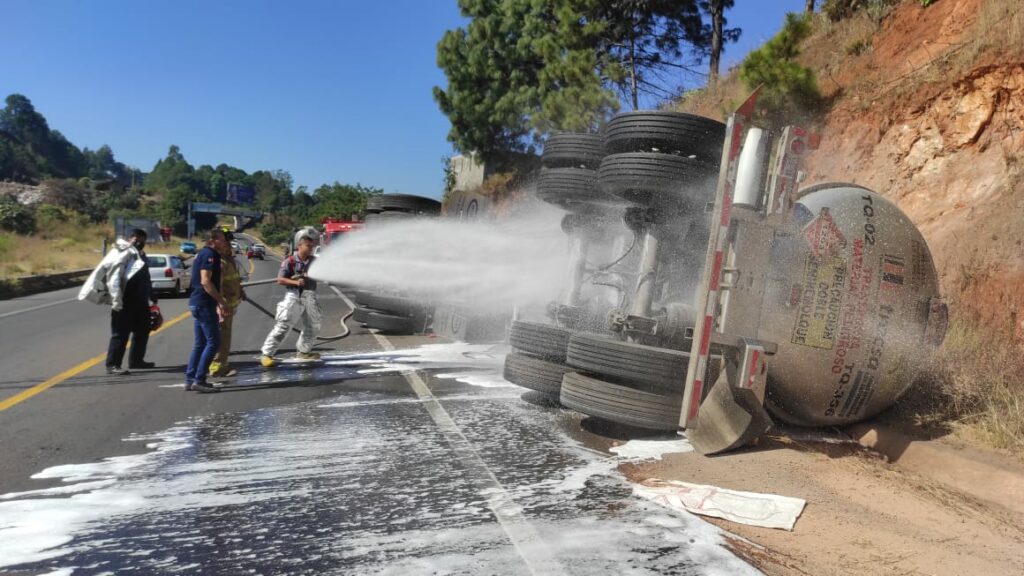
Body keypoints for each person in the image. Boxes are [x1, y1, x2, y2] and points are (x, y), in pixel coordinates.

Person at [78, 228, 157, 375]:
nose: (140, 242)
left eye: (142, 240)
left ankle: (136, 361)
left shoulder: (140, 255)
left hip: (140, 302)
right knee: (120, 334)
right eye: (137, 239)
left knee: (143, 331)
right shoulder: (122, 253)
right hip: (124, 301)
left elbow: (145, 278)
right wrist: (116, 300)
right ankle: (112, 364)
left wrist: (151, 295)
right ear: (131, 238)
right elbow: (114, 278)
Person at [260, 227, 324, 367]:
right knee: (283, 326)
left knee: (314, 326)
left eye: (312, 245)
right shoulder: (289, 261)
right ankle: (267, 354)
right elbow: (280, 279)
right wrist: (296, 281)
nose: (311, 248)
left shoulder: (314, 261)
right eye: (308, 245)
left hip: (310, 296)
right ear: (299, 245)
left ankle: (303, 352)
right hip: (294, 296)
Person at [184, 229, 231, 392]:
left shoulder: (203, 253)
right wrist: (221, 302)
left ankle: (190, 379)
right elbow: (205, 281)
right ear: (213, 240)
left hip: (197, 302)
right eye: (222, 239)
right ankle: (199, 379)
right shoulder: (210, 255)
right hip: (204, 303)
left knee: (200, 343)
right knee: (214, 342)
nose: (225, 242)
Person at [208, 231, 247, 378]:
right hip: (224, 306)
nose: (229, 246)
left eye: (229, 243)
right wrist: (220, 306)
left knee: (225, 336)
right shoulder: (220, 263)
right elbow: (218, 285)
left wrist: (241, 290)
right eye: (226, 243)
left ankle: (221, 364)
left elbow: (234, 280)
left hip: (230, 305)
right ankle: (217, 367)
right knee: (222, 337)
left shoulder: (229, 260)